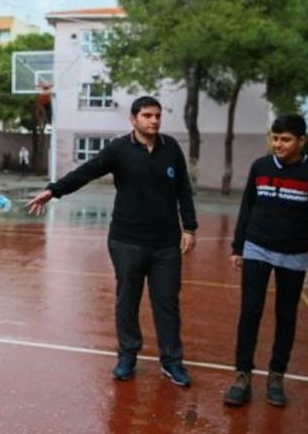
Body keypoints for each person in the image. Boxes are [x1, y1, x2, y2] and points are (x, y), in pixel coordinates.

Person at [26, 96, 197, 387]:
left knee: (166, 303)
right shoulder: (119, 149)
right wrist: (53, 191)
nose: (153, 120)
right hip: (127, 241)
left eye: (157, 115)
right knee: (127, 300)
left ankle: (172, 362)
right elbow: (86, 172)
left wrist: (189, 227)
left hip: (166, 244)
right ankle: (127, 356)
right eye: (147, 115)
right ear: (133, 119)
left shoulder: (172, 148)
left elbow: (183, 188)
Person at [224, 114, 308, 408]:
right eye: (275, 138)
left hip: (294, 254)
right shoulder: (259, 167)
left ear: (301, 141)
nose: (278, 144)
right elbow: (247, 206)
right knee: (250, 312)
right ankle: (242, 375)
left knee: (286, 317)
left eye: (285, 139)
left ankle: (276, 375)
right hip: (257, 247)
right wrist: (238, 246)